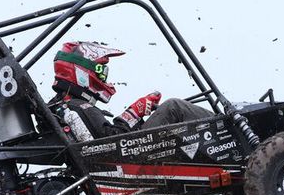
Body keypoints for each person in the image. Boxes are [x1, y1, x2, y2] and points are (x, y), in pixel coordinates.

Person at [47, 41, 213, 141]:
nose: (104, 77)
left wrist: (135, 114)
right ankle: (232, 127)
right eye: (102, 71)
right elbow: (110, 142)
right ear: (83, 70)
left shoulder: (63, 106)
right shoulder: (77, 106)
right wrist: (133, 113)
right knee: (173, 107)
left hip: (125, 158)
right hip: (128, 162)